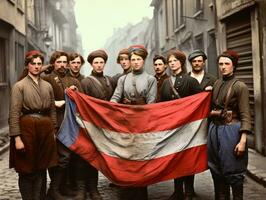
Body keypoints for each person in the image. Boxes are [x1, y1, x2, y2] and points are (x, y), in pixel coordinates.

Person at [9, 50, 58, 200]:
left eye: (39, 64)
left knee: (42, 168)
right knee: (26, 169)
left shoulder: (48, 86)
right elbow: (14, 113)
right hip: (27, 129)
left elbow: (52, 110)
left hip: (45, 129)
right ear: (27, 66)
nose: (36, 67)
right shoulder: (19, 86)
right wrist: (17, 138)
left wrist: (53, 131)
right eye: (33, 64)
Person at [111, 45, 157, 200]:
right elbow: (115, 98)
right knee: (125, 159)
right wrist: (110, 106)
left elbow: (151, 104)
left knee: (141, 160)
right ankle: (125, 193)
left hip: (142, 125)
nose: (136, 62)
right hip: (125, 124)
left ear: (144, 61)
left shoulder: (151, 80)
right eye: (133, 59)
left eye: (139, 59)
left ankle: (141, 194)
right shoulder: (123, 79)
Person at [208, 50, 251, 200]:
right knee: (216, 170)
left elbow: (245, 115)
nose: (223, 67)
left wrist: (243, 141)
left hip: (231, 131)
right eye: (220, 64)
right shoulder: (217, 83)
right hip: (214, 130)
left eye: (227, 64)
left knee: (234, 171)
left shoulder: (240, 86)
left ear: (234, 66)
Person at [160, 49, 202, 200]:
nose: (172, 64)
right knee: (175, 159)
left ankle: (189, 191)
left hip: (188, 129)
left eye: (175, 61)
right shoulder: (166, 83)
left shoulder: (191, 81)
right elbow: (161, 106)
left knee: (188, 159)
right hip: (172, 129)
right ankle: (177, 190)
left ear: (181, 63)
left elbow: (200, 103)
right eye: (170, 62)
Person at [43, 51, 82, 200]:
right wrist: (54, 103)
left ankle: (61, 187)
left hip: (70, 123)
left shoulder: (73, 81)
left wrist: (76, 94)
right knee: (59, 157)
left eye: (64, 62)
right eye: (58, 62)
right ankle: (54, 190)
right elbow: (40, 100)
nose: (61, 65)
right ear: (53, 63)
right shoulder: (46, 79)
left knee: (67, 157)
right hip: (54, 123)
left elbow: (82, 102)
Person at [80, 49, 115, 200]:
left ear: (105, 64)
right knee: (91, 155)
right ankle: (92, 189)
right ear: (91, 65)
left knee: (106, 155)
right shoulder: (86, 82)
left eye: (101, 62)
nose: (99, 65)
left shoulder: (110, 80)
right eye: (96, 63)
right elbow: (82, 105)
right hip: (92, 124)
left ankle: (115, 180)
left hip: (108, 124)